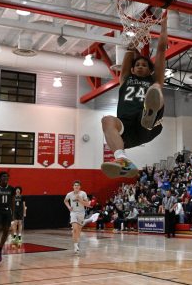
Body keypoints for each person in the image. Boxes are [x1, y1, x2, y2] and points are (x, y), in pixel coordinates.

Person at [101, 14, 168, 178]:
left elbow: (160, 51)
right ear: (131, 69)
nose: (139, 66)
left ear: (150, 70)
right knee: (107, 120)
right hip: (127, 129)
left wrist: (164, 25)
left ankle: (149, 113)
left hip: (146, 126)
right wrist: (142, 30)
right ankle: (122, 159)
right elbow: (130, 49)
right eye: (137, 65)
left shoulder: (154, 79)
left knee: (157, 88)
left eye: (144, 65)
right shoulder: (125, 79)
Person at [64, 180, 91, 254]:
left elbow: (87, 204)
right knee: (75, 229)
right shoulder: (69, 194)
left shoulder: (83, 193)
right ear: (73, 186)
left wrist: (80, 200)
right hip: (73, 213)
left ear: (80, 187)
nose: (76, 186)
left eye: (78, 185)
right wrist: (69, 207)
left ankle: (76, 242)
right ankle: (75, 246)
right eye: (75, 185)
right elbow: (65, 201)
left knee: (78, 231)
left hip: (81, 213)